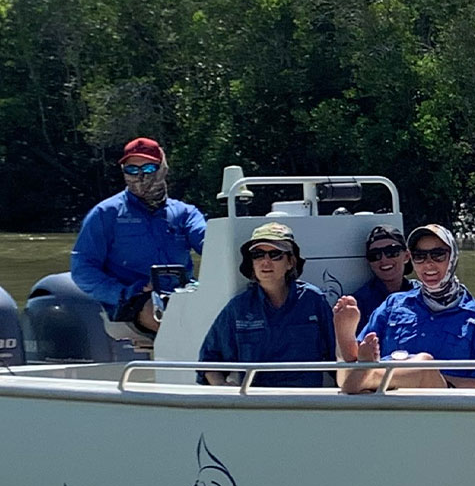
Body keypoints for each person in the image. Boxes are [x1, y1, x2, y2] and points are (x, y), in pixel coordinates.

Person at [335, 223, 475, 392]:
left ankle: (370, 377)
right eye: (420, 256)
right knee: (355, 364)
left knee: (424, 364)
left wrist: (430, 377)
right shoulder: (393, 304)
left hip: (444, 403)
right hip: (387, 403)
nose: (428, 263)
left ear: (453, 257)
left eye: (438, 255)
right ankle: (349, 345)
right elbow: (362, 355)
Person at [70, 137, 206, 336]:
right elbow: (82, 269)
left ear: (162, 169)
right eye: (132, 170)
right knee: (170, 320)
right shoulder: (105, 213)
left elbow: (211, 245)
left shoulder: (186, 213)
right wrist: (124, 292)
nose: (140, 175)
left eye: (149, 168)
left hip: (185, 293)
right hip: (132, 301)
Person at [198, 222, 337, 387]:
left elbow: (336, 356)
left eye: (275, 254)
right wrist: (221, 388)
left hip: (305, 402)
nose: (265, 262)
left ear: (291, 262)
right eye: (258, 254)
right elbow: (210, 360)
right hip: (256, 405)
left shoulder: (313, 300)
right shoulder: (238, 308)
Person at [348, 225, 412, 320]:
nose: (384, 260)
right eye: (375, 255)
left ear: (406, 256)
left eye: (391, 252)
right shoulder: (357, 304)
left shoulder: (425, 295)